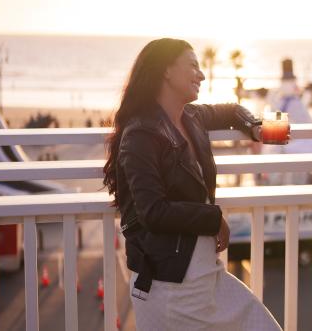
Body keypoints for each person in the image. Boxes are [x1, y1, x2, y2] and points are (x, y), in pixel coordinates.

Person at [103, 38, 281, 331]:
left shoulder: (191, 118)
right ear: (166, 72)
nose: (201, 74)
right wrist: (213, 218)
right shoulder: (140, 135)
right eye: (193, 66)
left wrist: (254, 126)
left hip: (207, 276)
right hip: (170, 284)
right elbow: (153, 212)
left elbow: (231, 109)